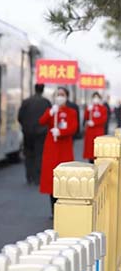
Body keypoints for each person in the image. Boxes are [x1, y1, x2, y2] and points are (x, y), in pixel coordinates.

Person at [39, 87, 77, 217]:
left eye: (62, 94)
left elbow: (73, 128)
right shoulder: (51, 111)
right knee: (52, 179)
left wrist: (61, 132)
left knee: (64, 179)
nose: (60, 97)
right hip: (52, 148)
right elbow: (42, 121)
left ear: (66, 97)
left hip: (64, 148)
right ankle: (53, 210)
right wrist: (50, 113)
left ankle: (63, 209)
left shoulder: (71, 112)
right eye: (58, 94)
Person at [18, 84, 51, 184]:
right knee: (39, 154)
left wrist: (25, 126)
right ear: (43, 90)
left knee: (28, 154)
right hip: (41, 133)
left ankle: (29, 176)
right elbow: (50, 117)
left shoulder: (26, 102)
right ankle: (38, 177)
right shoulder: (46, 102)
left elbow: (20, 117)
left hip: (27, 132)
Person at [83, 91, 108, 162]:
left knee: (98, 149)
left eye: (97, 97)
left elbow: (104, 119)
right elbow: (86, 117)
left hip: (98, 131)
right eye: (94, 97)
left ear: (100, 99)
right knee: (90, 149)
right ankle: (90, 162)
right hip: (90, 132)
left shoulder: (103, 108)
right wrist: (88, 110)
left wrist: (95, 122)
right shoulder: (90, 108)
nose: (95, 99)